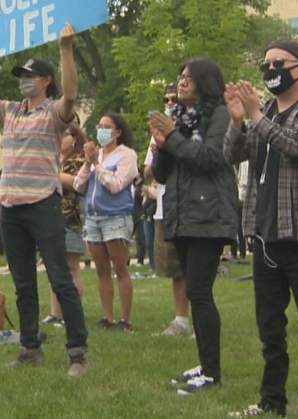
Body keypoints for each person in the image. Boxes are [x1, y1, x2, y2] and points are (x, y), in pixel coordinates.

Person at [0, 24, 89, 377]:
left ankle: (77, 352)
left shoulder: (54, 113)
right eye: (21, 75)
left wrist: (66, 50)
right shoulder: (8, 110)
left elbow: (71, 93)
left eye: (29, 75)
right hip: (10, 207)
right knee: (24, 282)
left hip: (43, 203)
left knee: (60, 277)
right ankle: (30, 347)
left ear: (45, 81)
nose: (23, 80)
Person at [224, 40, 298, 418]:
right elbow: (232, 153)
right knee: (270, 328)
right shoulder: (268, 112)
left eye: (279, 62)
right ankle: (271, 401)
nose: (270, 69)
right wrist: (235, 120)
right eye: (266, 63)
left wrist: (257, 115)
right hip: (265, 233)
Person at [149, 57, 238, 395]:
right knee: (194, 290)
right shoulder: (180, 118)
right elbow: (160, 175)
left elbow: (211, 158)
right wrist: (162, 145)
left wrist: (171, 137)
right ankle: (205, 364)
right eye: (180, 76)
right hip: (182, 213)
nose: (181, 82)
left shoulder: (219, 114)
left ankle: (212, 373)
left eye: (188, 77)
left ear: (205, 82)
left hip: (209, 213)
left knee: (199, 291)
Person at [73, 113, 138, 331]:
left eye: (106, 126)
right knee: (101, 270)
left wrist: (97, 165)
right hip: (93, 218)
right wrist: (88, 163)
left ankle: (125, 319)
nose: (101, 130)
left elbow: (116, 184)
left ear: (117, 132)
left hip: (116, 216)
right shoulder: (96, 156)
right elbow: (78, 185)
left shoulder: (126, 155)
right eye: (99, 126)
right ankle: (108, 316)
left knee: (120, 268)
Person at [143, 85, 192, 337]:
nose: (170, 102)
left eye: (173, 98)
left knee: (194, 268)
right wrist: (157, 152)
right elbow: (149, 173)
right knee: (175, 268)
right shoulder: (156, 132)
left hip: (190, 204)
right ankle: (181, 319)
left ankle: (199, 318)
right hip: (165, 204)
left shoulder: (189, 124)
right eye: (166, 99)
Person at [43, 123, 87, 327]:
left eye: (65, 135)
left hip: (70, 218)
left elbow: (77, 183)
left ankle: (72, 312)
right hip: (50, 218)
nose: (60, 138)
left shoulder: (78, 161)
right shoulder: (53, 160)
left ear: (75, 138)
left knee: (71, 267)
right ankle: (55, 312)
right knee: (54, 267)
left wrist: (51, 174)